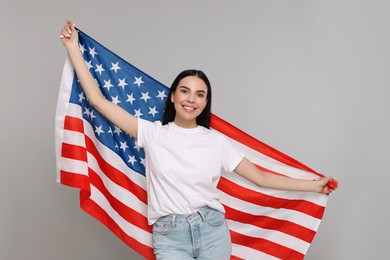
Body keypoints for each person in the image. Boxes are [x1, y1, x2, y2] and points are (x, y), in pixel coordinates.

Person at [60, 20, 337, 259]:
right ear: (173, 96)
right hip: (169, 236)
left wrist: (313, 186)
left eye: (200, 94)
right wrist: (74, 48)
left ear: (206, 102)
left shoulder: (216, 142)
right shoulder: (153, 133)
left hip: (213, 231)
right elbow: (97, 100)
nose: (191, 99)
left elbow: (260, 178)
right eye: (185, 91)